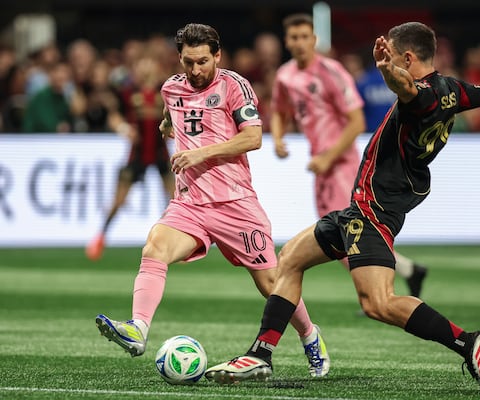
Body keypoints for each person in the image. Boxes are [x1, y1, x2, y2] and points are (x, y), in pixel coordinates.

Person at [204, 22, 480, 393]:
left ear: (408, 58)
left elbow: (406, 87)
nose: (387, 60)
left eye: (393, 55)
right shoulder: (452, 90)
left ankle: (467, 341)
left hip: (373, 209)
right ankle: (260, 355)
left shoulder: (422, 96)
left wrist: (385, 70)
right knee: (291, 258)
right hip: (361, 207)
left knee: (378, 303)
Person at [94, 23, 330, 379]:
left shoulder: (235, 86)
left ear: (217, 55)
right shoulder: (171, 88)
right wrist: (165, 126)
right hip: (189, 203)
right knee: (154, 247)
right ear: (180, 58)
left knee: (271, 284)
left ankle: (311, 338)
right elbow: (172, 116)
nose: (196, 70)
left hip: (235, 203)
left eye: (203, 61)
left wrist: (200, 153)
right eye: (189, 62)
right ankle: (138, 328)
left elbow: (253, 138)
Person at [270, 14, 427, 299]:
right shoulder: (285, 76)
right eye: (294, 37)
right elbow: (279, 111)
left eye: (305, 37)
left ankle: (382, 293)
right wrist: (279, 138)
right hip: (321, 163)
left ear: (314, 40)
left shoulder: (332, 72)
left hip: (340, 163)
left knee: (348, 231)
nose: (300, 43)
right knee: (343, 232)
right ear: (287, 41)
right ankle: (405, 272)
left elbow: (356, 122)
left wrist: (330, 157)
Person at [85, 56, 174, 261]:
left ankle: (173, 244)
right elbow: (115, 116)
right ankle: (100, 238)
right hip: (136, 154)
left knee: (174, 201)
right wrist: (123, 128)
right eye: (142, 65)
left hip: (161, 154)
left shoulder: (166, 92)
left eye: (150, 64)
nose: (146, 69)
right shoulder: (128, 93)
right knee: (119, 201)